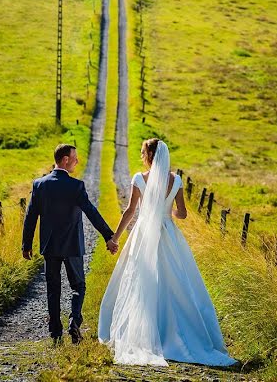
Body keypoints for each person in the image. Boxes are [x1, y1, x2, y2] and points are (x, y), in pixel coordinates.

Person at [97, 138, 237, 367]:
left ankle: (145, 334)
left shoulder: (139, 179)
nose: (141, 156)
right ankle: (175, 335)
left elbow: (130, 212)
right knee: (176, 284)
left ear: (150, 156)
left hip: (144, 235)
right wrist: (167, 210)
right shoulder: (177, 180)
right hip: (168, 234)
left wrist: (115, 238)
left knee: (142, 281)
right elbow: (182, 213)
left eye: (143, 153)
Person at [22, 143, 118, 345]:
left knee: (53, 289)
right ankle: (74, 321)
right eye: (75, 157)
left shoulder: (39, 185)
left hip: (50, 246)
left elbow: (30, 217)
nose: (77, 160)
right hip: (72, 245)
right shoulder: (76, 186)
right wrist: (108, 236)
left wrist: (26, 244)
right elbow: (91, 212)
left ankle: (55, 332)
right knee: (78, 286)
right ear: (65, 159)